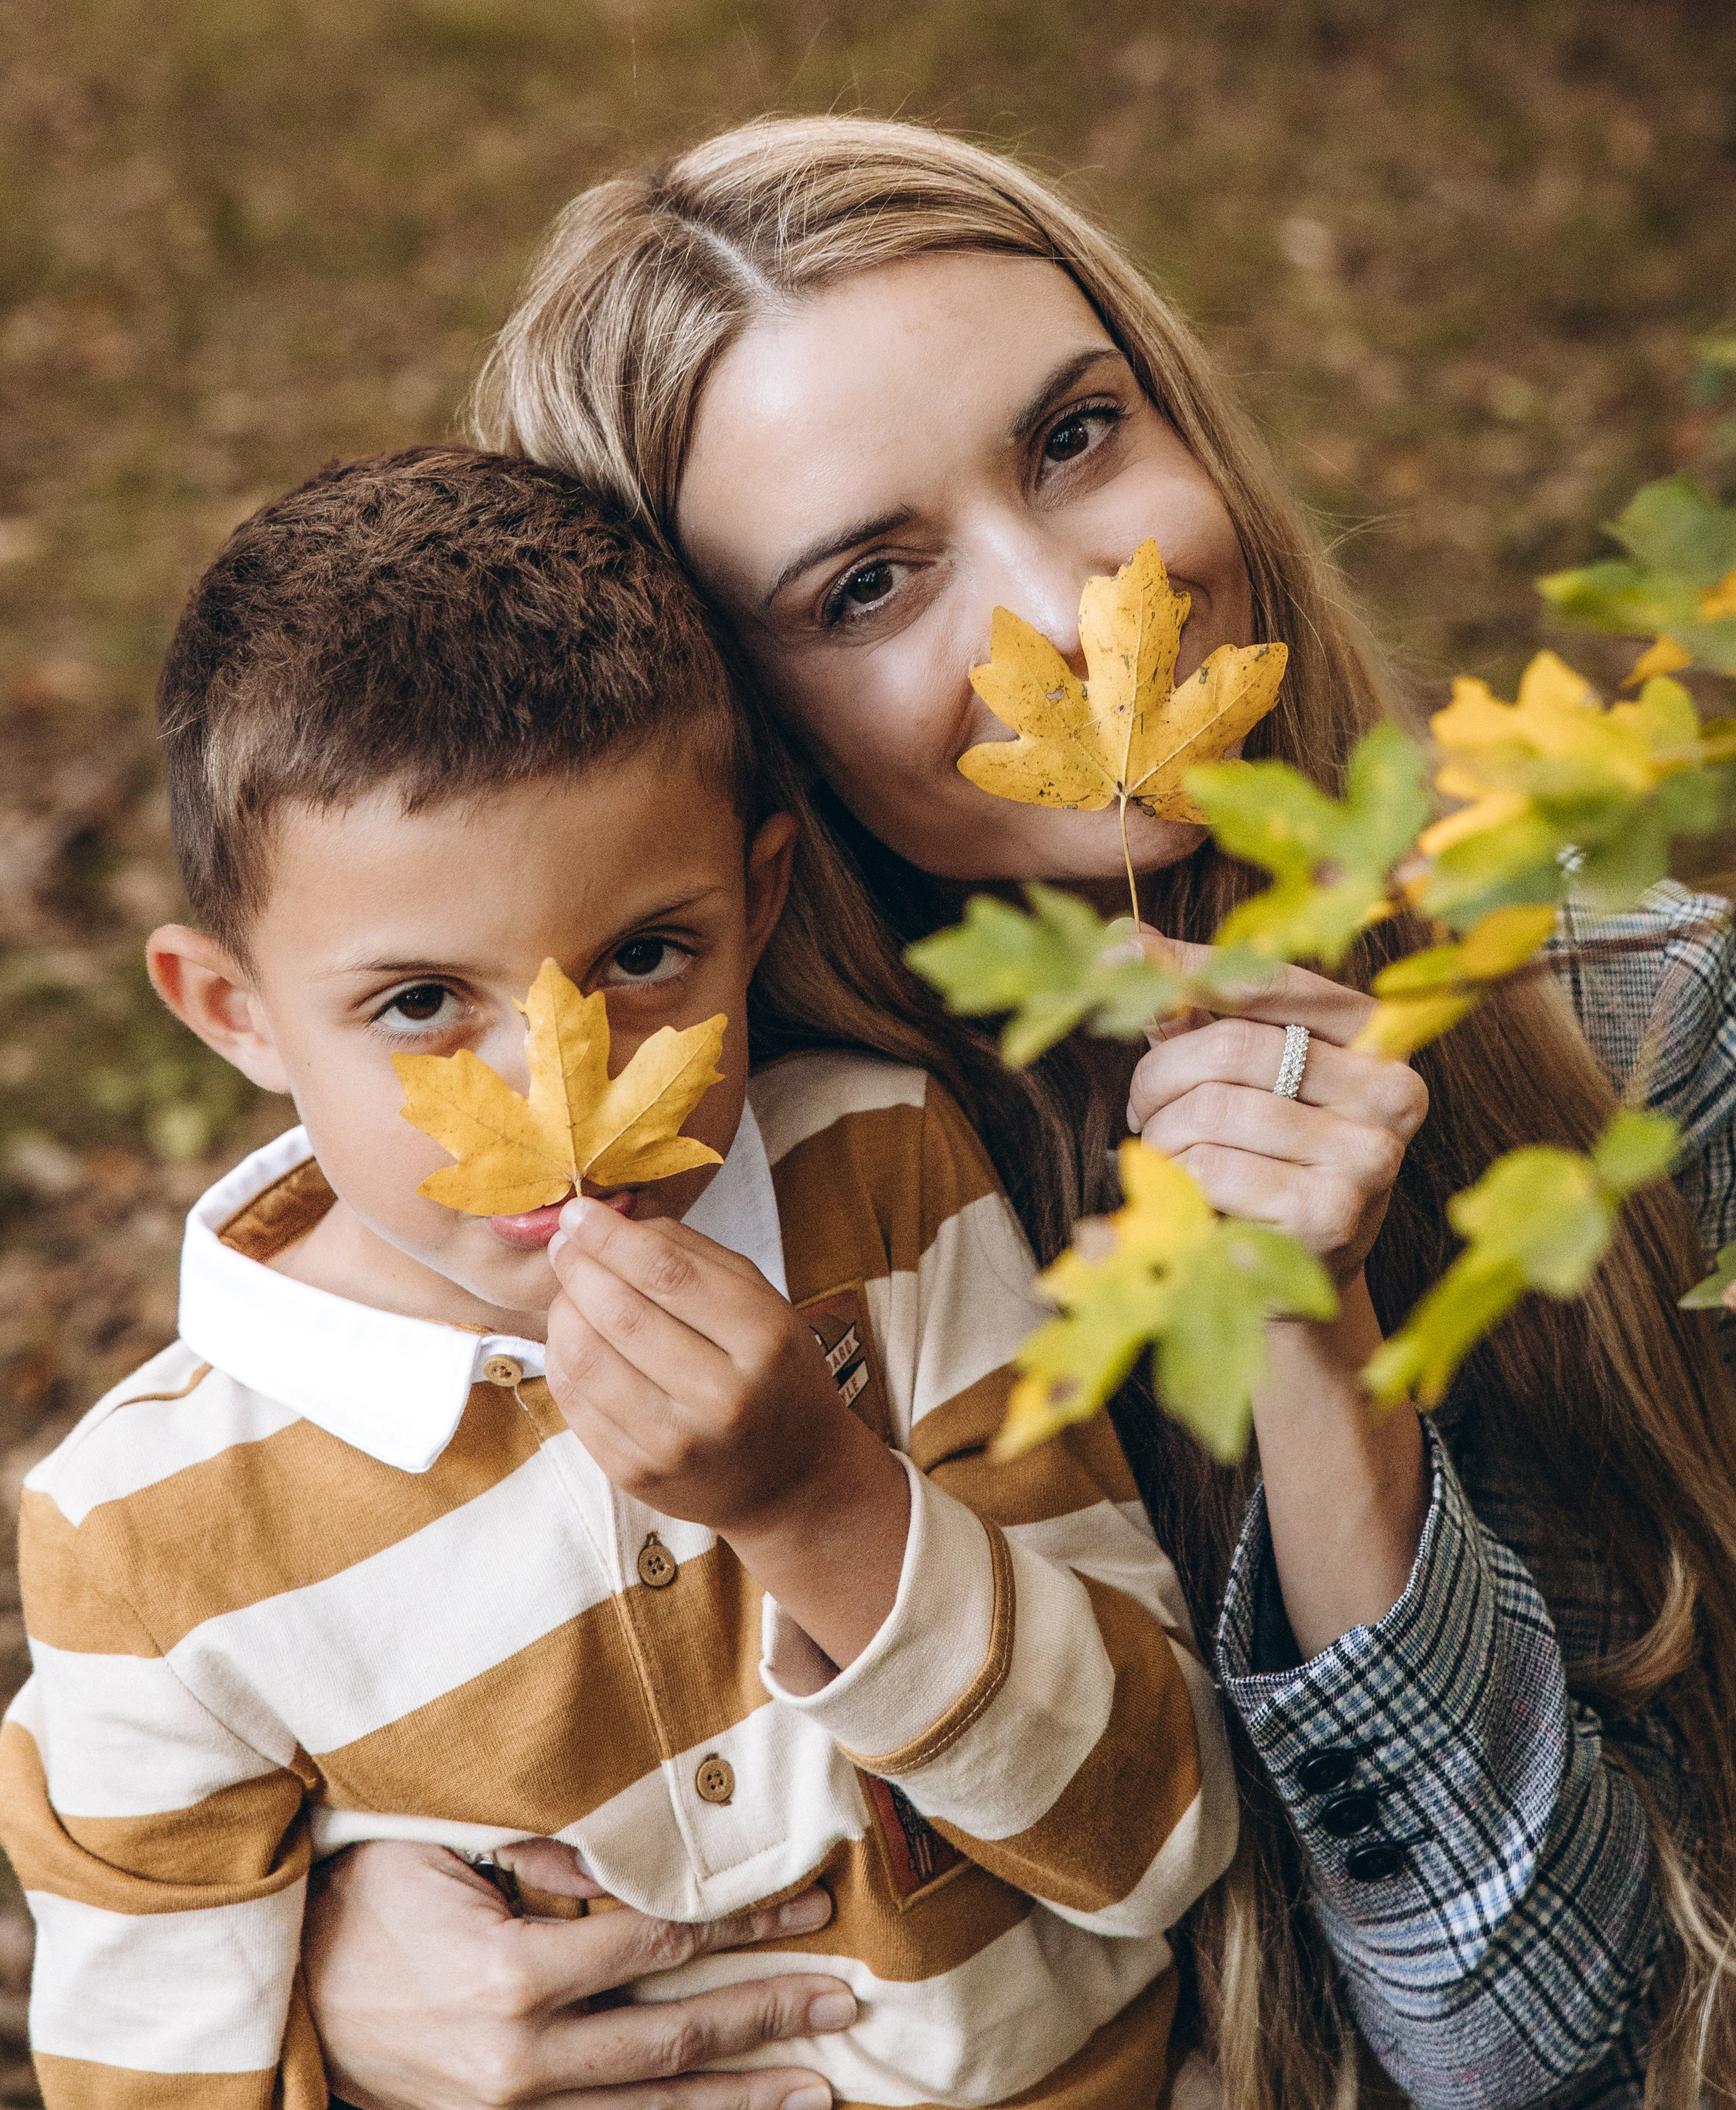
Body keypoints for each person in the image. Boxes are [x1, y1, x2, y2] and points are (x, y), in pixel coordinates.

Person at [300, 119, 1736, 2110]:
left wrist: (1324, 1359)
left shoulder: (1644, 1032)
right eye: (873, 583)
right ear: (730, 718)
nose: (1072, 609)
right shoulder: (677, 1231)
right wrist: (330, 1956)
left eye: (1072, 438)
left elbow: (1552, 2058)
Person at [0, 447, 1238, 2110]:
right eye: (422, 1003)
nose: (555, 1095)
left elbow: (1160, 1830)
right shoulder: (145, 1539)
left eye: (646, 958)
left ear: (758, 901)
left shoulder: (879, 1183)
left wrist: (819, 1508)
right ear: (231, 1012)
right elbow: (145, 2075)